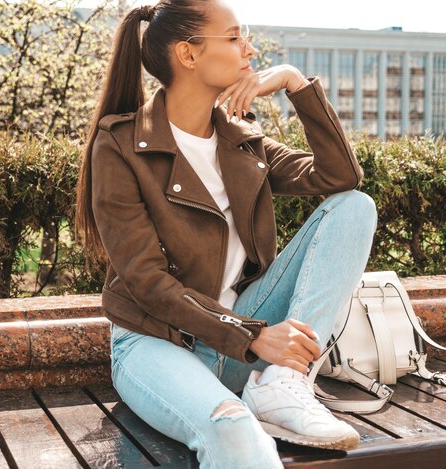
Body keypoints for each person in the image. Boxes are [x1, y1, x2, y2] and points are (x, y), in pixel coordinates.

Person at [75, 1, 378, 468]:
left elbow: (339, 178)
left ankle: (283, 383)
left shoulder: (241, 139)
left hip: (240, 341)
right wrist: (252, 334)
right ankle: (263, 384)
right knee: (234, 431)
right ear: (188, 55)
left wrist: (294, 82)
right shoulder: (120, 146)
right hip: (155, 344)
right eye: (235, 37)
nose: (250, 51)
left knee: (354, 208)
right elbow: (147, 283)